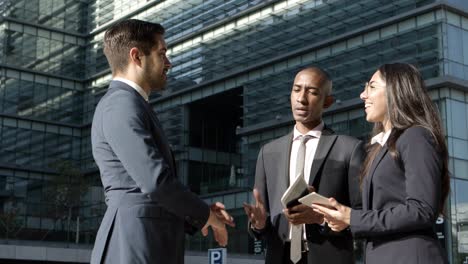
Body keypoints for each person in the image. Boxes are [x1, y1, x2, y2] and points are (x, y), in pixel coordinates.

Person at [90, 19, 234, 264]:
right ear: (137, 56)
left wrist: (202, 212)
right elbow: (155, 182)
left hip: (143, 242)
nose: (169, 63)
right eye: (162, 54)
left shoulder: (131, 104)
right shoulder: (121, 104)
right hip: (133, 246)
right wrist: (205, 215)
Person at [312, 63, 450, 264]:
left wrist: (353, 218)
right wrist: (343, 219)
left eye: (372, 87)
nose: (362, 95)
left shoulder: (415, 137)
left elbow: (421, 209)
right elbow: (382, 212)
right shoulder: (380, 147)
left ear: (396, 91)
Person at [243, 67, 364, 264]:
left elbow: (361, 215)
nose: (301, 98)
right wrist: (259, 224)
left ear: (328, 102)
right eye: (296, 89)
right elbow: (262, 221)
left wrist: (322, 218)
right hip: (280, 257)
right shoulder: (268, 153)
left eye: (312, 92)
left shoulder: (349, 149)